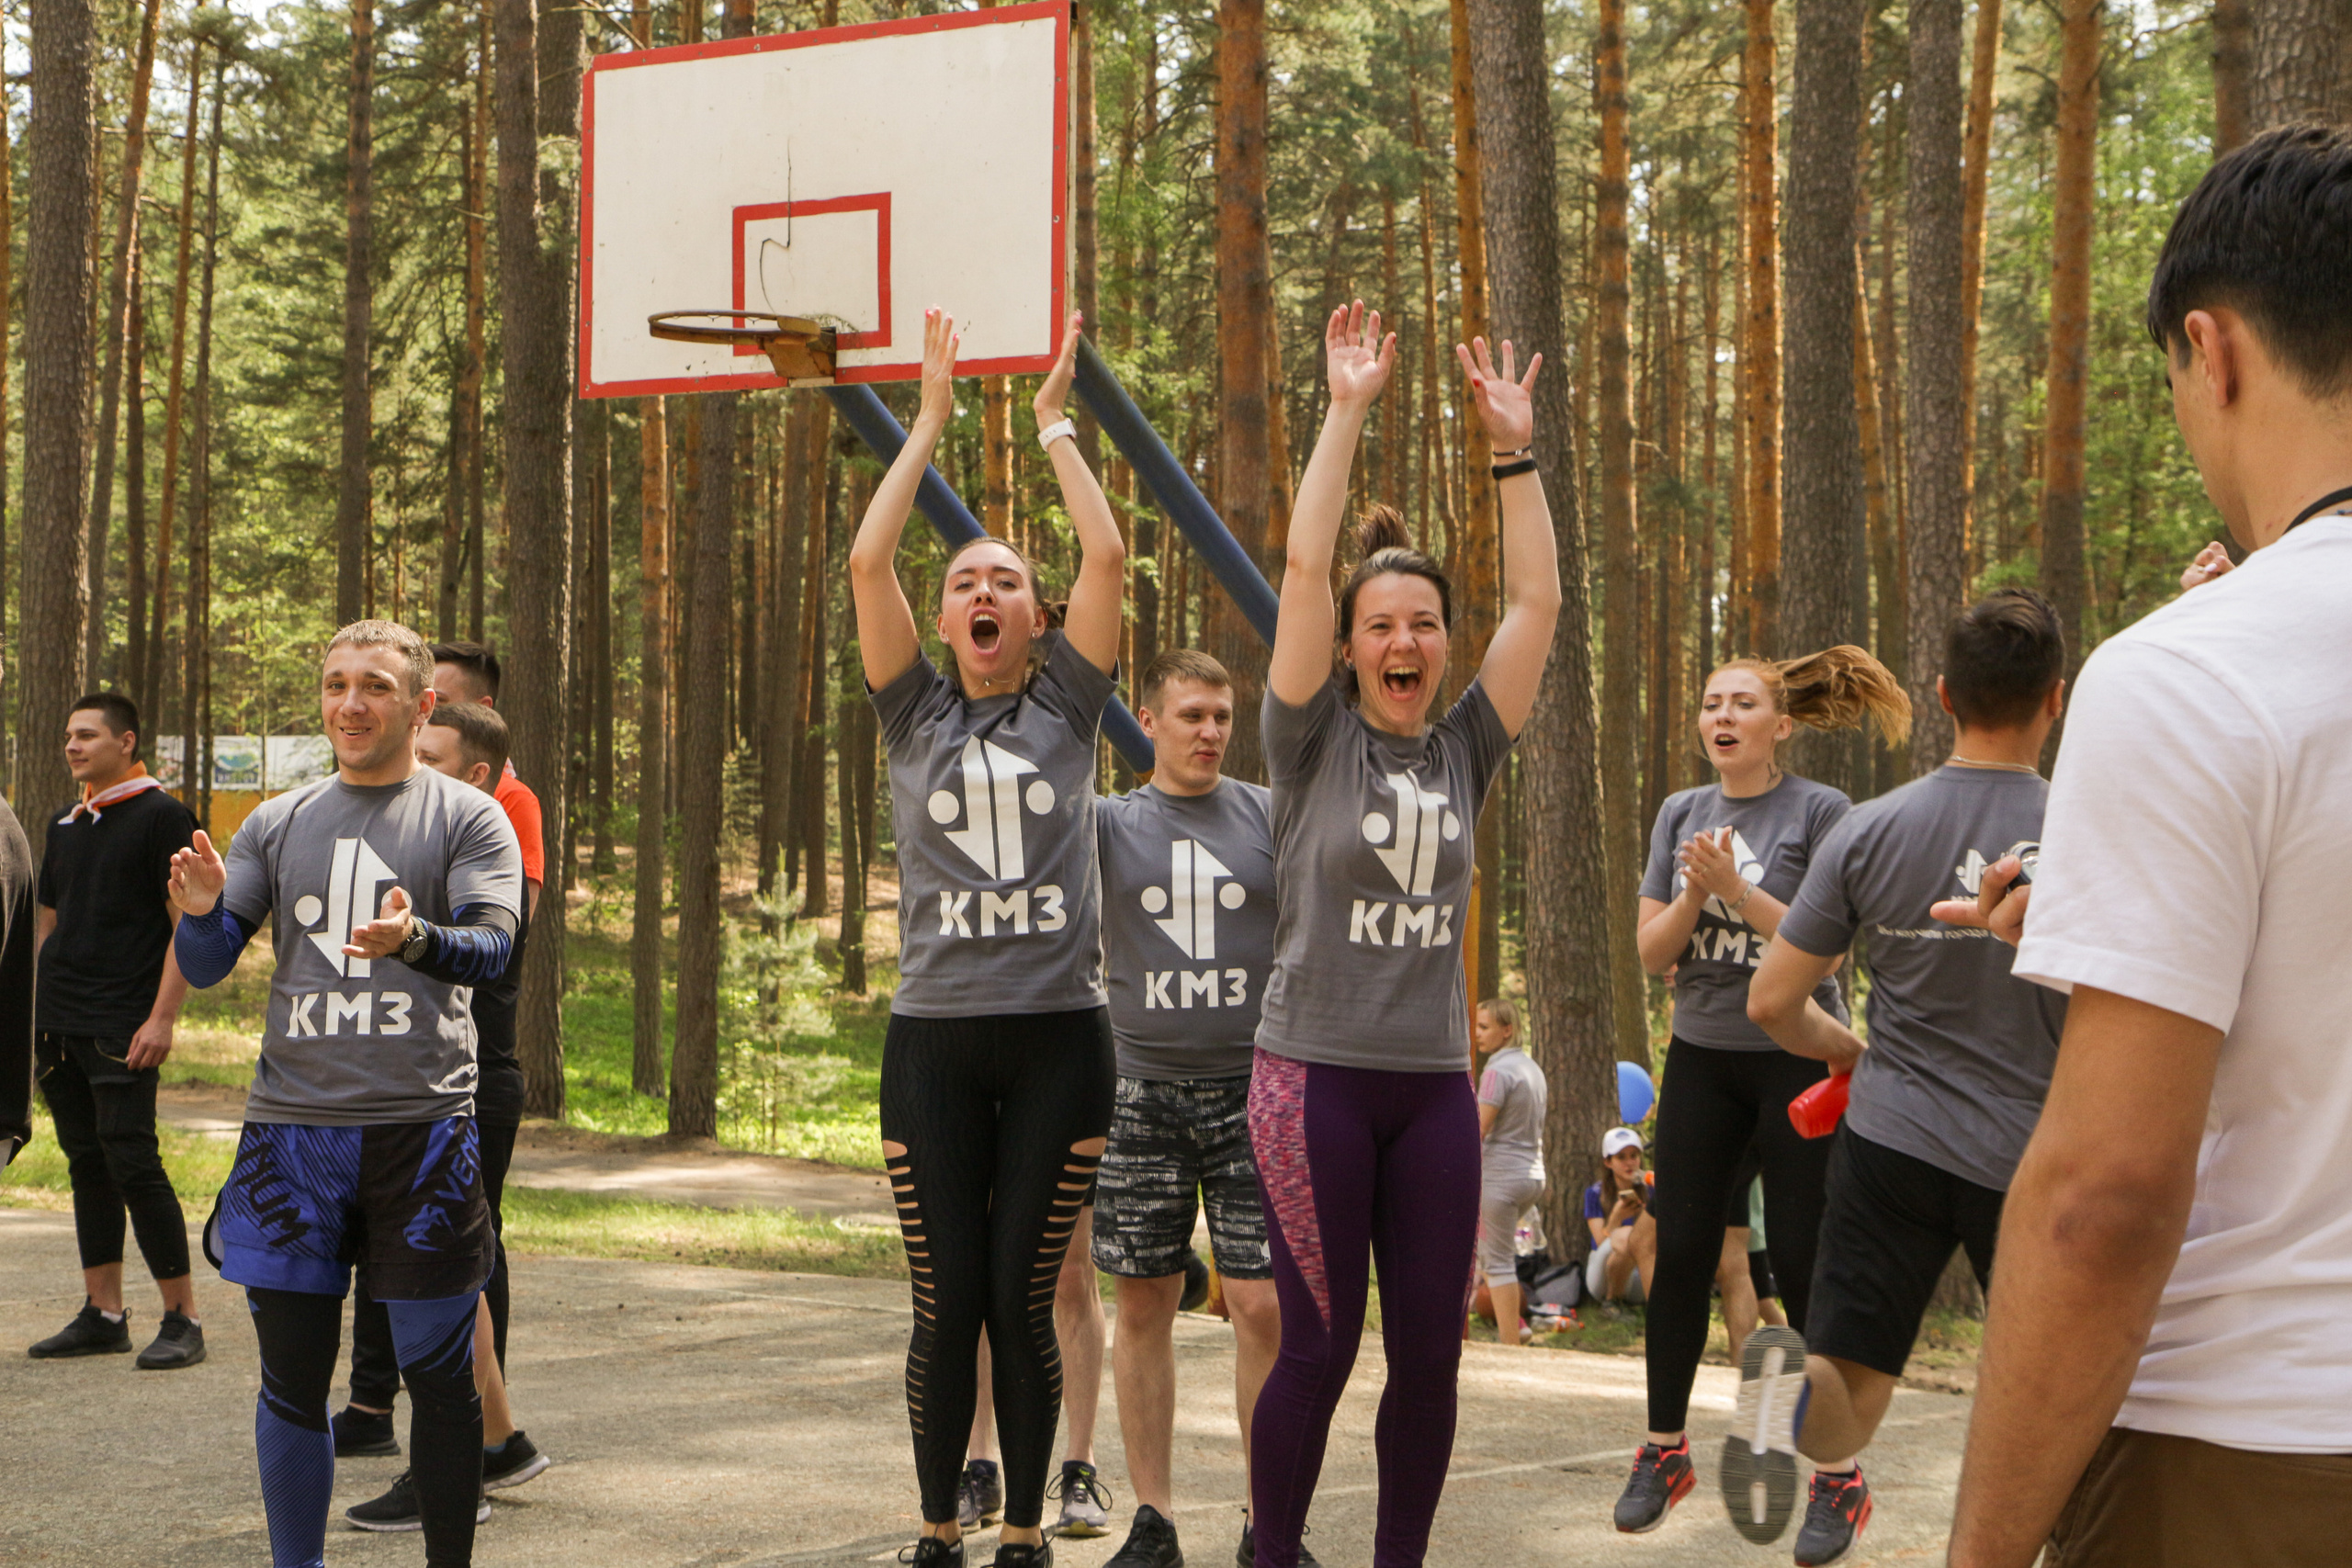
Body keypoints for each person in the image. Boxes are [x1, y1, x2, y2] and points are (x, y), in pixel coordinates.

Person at [1941, 124, 2352, 1568]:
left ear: (2212, 349)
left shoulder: (2192, 670)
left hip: (2255, 1443)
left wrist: (1983, 1548)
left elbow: (2103, 1197)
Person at [1247, 304, 1560, 1568]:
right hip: (1308, 1079)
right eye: (1381, 624)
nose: (1402, 639)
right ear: (1353, 645)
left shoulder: (1465, 748)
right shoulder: (1307, 738)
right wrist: (1346, 409)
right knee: (1319, 1348)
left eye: (1422, 622)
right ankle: (1271, 1553)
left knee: (1431, 1355)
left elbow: (1537, 598)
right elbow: (1308, 568)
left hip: (1433, 1092)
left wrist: (1514, 455)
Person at [852, 307, 1124, 1568]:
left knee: (1024, 1295)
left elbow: (1111, 556)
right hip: (933, 1044)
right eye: (964, 578)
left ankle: (1024, 1526)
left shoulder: (1068, 701)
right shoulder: (911, 712)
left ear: (1036, 613)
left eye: (1004, 577)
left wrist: (1053, 424)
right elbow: (869, 564)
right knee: (942, 1297)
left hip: (1061, 1037)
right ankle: (932, 1527)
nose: (979, 589)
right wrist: (932, 422)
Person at [168, 619, 525, 1568]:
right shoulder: (277, 823)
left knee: (440, 1381)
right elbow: (207, 965)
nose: (351, 703)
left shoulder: (466, 815)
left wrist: (417, 942)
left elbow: (497, 948)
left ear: (421, 703)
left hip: (423, 1137)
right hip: (294, 1139)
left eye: (373, 685)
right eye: (335, 685)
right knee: (290, 1382)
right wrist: (201, 914)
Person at [1735, 589, 2068, 1563]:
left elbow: (1770, 1003)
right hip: (2038, 1157)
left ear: (1940, 695)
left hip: (1892, 1142)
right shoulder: (2092, 830)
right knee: (2057, 1401)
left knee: (1845, 1385)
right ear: (2054, 699)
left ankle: (1782, 1402)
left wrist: (1847, 1053)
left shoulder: (1870, 829)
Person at [1614, 645, 1908, 1534]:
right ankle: (1665, 1450)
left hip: (1794, 1059)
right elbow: (1650, 951)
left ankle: (1838, 1478)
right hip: (1702, 1062)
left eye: (1742, 703)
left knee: (1814, 1269)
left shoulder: (1821, 812)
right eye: (1710, 703)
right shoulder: (1679, 813)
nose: (1722, 717)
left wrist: (1737, 891)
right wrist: (1696, 900)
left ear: (1779, 725)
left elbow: (1828, 942)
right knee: (1678, 1258)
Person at [1080, 648, 1287, 1568]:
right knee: (1144, 1303)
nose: (1209, 733)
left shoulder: (1270, 817)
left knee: (1260, 1306)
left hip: (1255, 1093)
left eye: (1222, 717)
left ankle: (1266, 1519)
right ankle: (1153, 1520)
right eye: (1191, 716)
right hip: (1139, 1092)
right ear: (1150, 722)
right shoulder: (1107, 826)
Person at [334, 643, 548, 1476]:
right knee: (414, 1259)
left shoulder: (496, 810)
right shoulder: (394, 807)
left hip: (469, 1075)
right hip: (402, 1077)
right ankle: (464, 1434)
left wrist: (416, 930)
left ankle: (468, 1452)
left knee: (457, 1267)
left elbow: (500, 937)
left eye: (433, 708)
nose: (410, 718)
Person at [23, 693, 208, 1369]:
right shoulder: (66, 823)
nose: (73, 746)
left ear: (127, 741)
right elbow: (48, 923)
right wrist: (34, 1012)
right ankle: (103, 1312)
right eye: (69, 734)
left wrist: (162, 1017)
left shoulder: (164, 817)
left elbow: (189, 924)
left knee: (134, 1160)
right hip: (59, 1024)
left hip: (122, 1024)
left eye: (88, 735)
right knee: (87, 1164)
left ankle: (182, 1316)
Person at [1474, 998, 1544, 1347]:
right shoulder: (1531, 1068)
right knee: (1481, 1253)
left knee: (1497, 1262)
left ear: (1507, 1030)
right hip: (1531, 1176)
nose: (1477, 1035)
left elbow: (1479, 1128)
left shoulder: (1497, 1071)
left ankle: (1509, 1345)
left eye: (1484, 1027)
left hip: (1500, 1179)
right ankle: (1518, 1325)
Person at [1582, 1127, 1655, 1305]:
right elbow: (1600, 1242)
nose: (1629, 1163)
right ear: (1608, 1162)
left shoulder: (1651, 1190)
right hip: (1602, 1276)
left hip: (1640, 1271)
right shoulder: (1595, 1193)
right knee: (1625, 1236)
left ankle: (1655, 1306)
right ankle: (1611, 1302)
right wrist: (1616, 1217)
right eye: (1621, 1157)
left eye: (1633, 1156)